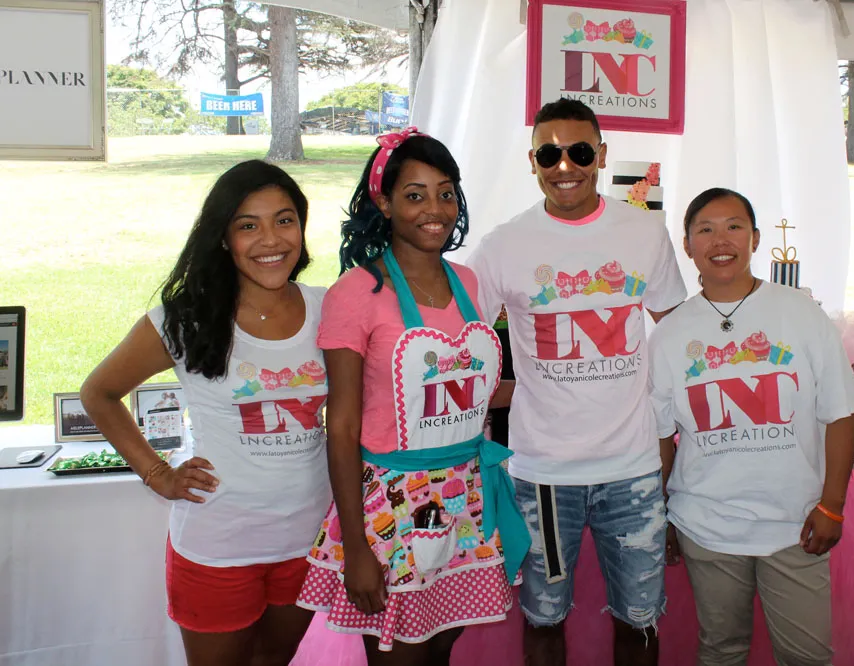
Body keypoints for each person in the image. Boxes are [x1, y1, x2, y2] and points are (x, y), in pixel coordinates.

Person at [80, 160, 329, 666]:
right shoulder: (185, 320)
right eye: (248, 225)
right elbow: (99, 393)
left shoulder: (329, 307)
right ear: (222, 237)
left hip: (307, 540)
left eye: (284, 220)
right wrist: (157, 474)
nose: (271, 240)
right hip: (218, 545)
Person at [467, 98, 687, 666]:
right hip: (543, 473)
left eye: (580, 152)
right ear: (532, 162)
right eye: (549, 154)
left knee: (640, 622)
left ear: (602, 156)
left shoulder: (645, 232)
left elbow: (676, 333)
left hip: (633, 469)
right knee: (543, 620)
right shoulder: (503, 245)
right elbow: (461, 339)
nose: (565, 166)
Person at [296, 127, 528, 665]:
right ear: (384, 202)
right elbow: (343, 426)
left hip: (467, 496)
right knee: (400, 654)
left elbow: (465, 389)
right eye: (415, 195)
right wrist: (357, 545)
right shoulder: (354, 293)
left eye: (446, 193)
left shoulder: (469, 282)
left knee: (442, 647)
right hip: (391, 505)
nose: (435, 210)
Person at [647, 187, 854, 666]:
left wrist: (832, 506)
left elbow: (841, 412)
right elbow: (661, 437)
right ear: (688, 245)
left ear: (755, 238)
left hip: (796, 525)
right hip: (707, 525)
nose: (720, 240)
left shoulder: (801, 313)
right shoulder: (670, 335)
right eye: (705, 229)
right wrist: (661, 514)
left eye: (734, 226)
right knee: (721, 651)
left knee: (807, 657)